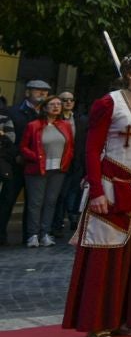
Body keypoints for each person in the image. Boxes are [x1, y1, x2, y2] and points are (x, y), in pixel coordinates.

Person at [63, 52, 131, 337]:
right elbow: (91, 148)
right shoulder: (110, 102)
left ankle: (129, 317)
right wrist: (96, 190)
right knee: (106, 253)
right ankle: (99, 319)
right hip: (111, 185)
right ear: (129, 72)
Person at [21, 94, 74, 247]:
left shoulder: (65, 126)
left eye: (58, 104)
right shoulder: (34, 125)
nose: (56, 106)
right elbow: (24, 147)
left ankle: (45, 233)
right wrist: (36, 157)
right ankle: (33, 235)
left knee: (51, 202)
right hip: (37, 169)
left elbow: (70, 147)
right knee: (35, 203)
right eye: (52, 104)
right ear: (44, 107)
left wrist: (67, 160)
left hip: (58, 169)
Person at [1, 79, 48, 244]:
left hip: (37, 166)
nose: (42, 94)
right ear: (27, 92)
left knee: (34, 203)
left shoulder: (47, 115)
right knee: (7, 200)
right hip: (16, 164)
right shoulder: (13, 112)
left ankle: (29, 235)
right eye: (37, 90)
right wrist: (17, 155)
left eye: (45, 92)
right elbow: (8, 139)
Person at [53, 90, 90, 237]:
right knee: (60, 195)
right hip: (59, 162)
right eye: (64, 100)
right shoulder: (55, 120)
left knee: (74, 193)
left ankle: (72, 218)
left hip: (77, 163)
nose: (68, 102)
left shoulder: (81, 120)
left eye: (71, 100)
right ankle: (57, 223)